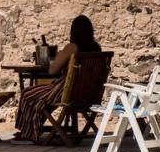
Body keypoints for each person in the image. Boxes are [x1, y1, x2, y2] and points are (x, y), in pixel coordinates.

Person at [14, 15, 101, 143]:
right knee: (42, 99)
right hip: (89, 94)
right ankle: (34, 129)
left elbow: (52, 70)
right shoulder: (97, 49)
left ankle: (27, 132)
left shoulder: (72, 48)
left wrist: (60, 56)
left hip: (68, 92)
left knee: (28, 93)